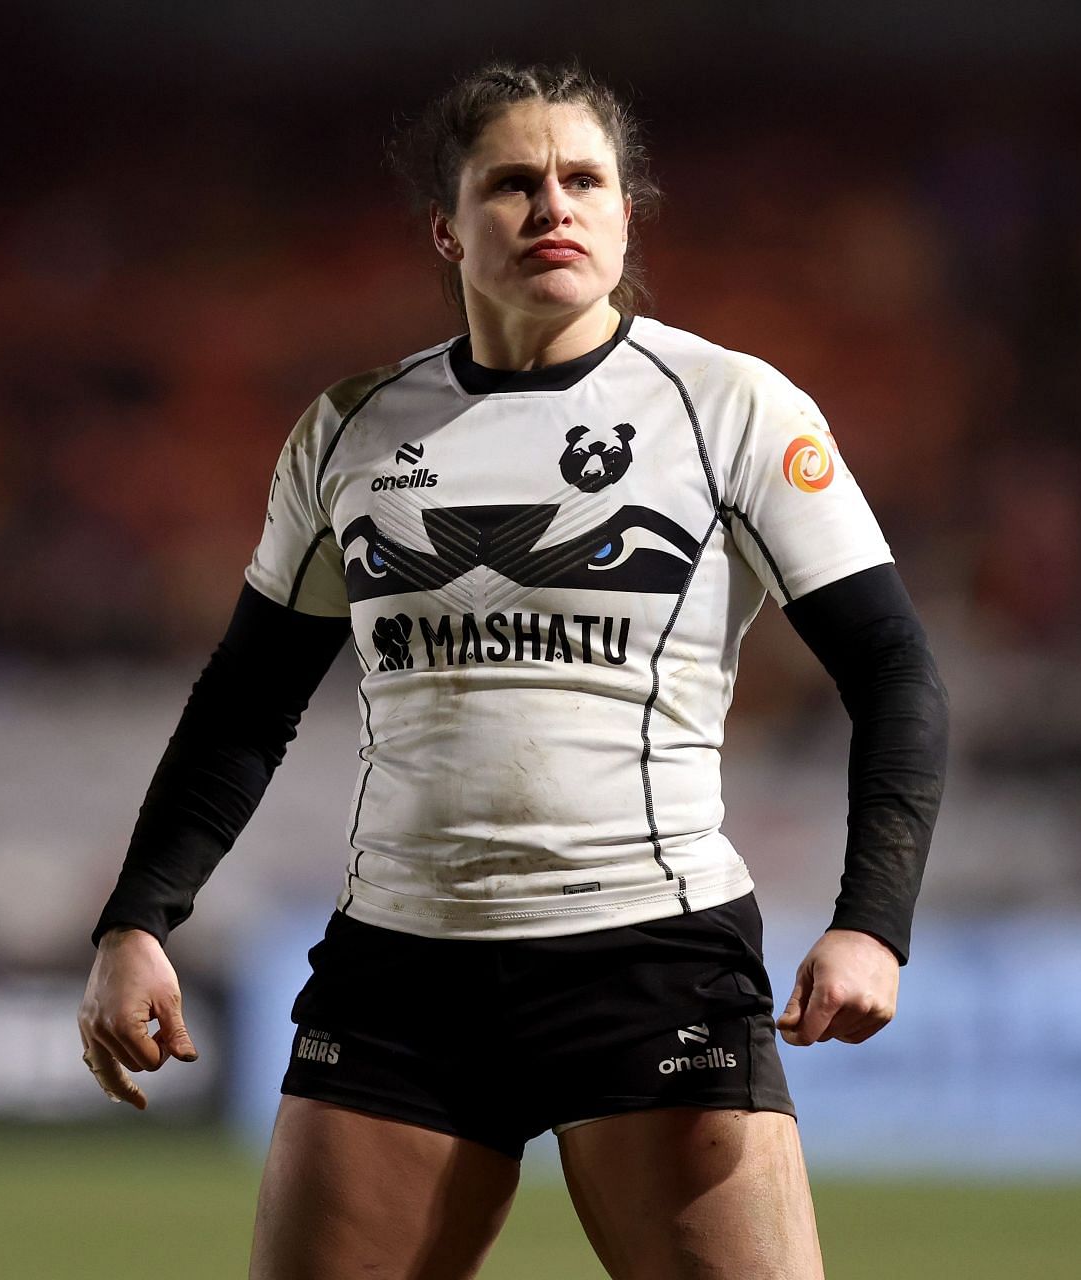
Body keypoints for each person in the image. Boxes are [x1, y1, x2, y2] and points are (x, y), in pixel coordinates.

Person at [78, 62, 948, 1279]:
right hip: (400, 968)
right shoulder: (348, 431)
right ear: (448, 225)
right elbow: (245, 702)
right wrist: (139, 916)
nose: (554, 207)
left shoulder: (730, 407)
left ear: (627, 214)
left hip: (649, 953)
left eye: (585, 180)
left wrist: (874, 924)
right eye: (514, 183)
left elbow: (897, 671)